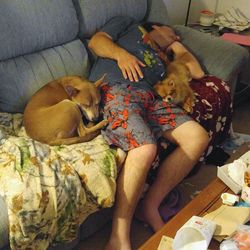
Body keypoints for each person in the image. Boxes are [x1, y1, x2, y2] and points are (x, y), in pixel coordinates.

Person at [88, 16, 211, 250]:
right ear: (155, 27)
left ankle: (150, 205)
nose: (176, 36)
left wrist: (176, 45)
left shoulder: (163, 60)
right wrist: (121, 55)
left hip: (150, 99)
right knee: (145, 148)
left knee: (197, 137)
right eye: (172, 32)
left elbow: (198, 73)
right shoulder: (129, 25)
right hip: (117, 90)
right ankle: (118, 237)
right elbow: (96, 42)